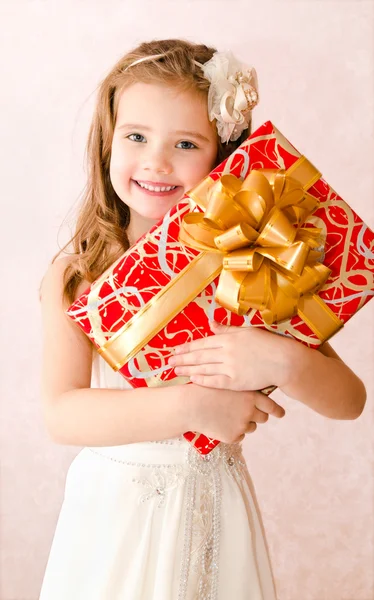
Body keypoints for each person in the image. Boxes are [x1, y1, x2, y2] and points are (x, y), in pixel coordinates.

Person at [39, 39, 366, 600]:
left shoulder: (251, 262)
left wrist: (283, 359)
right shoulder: (79, 271)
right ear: (107, 142)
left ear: (223, 155)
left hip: (214, 505)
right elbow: (62, 413)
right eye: (136, 136)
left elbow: (349, 401)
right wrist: (193, 405)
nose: (156, 161)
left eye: (185, 143)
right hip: (115, 514)